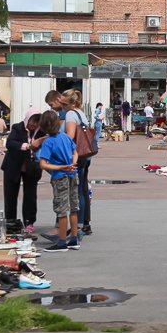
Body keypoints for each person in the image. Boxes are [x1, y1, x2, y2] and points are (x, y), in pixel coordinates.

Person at [37, 110, 80, 252]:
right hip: (73, 174)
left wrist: (61, 167)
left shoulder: (48, 141)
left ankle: (61, 242)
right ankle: (74, 239)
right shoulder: (66, 137)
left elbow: (43, 164)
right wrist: (72, 164)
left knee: (61, 210)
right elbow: (75, 153)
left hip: (60, 176)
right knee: (73, 208)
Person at [1, 108, 45, 233]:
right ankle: (11, 221)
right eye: (32, 121)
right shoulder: (18, 128)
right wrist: (27, 146)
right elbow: (10, 143)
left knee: (30, 195)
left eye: (37, 122)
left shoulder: (41, 132)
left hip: (32, 168)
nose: (34, 124)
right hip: (13, 166)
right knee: (10, 195)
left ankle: (29, 222)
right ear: (27, 119)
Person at [61, 89, 94, 235]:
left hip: (76, 156)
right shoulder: (81, 113)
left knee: (77, 190)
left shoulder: (70, 114)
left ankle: (78, 225)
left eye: (64, 104)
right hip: (85, 155)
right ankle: (85, 223)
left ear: (72, 103)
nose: (63, 107)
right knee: (83, 189)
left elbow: (70, 136)